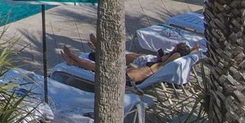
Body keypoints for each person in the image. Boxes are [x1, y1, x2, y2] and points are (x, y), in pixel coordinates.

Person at [58, 42, 194, 87]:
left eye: (175, 51)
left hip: (127, 79)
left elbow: (175, 56)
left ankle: (74, 60)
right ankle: (78, 58)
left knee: (98, 67)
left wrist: (178, 53)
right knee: (108, 62)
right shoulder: (161, 66)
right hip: (128, 74)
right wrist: (192, 52)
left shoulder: (161, 66)